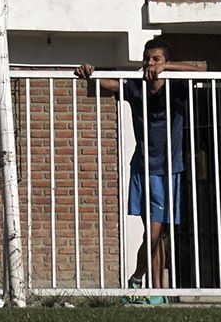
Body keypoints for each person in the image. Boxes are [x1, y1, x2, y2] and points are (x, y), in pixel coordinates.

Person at [75, 36, 200, 292]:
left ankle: (135, 277)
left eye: (157, 59)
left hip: (168, 169)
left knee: (155, 234)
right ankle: (158, 292)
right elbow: (105, 86)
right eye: (147, 59)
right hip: (142, 168)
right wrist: (90, 73)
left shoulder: (177, 87)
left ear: (166, 61)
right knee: (152, 234)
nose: (151, 63)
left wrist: (168, 69)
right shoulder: (135, 86)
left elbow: (203, 71)